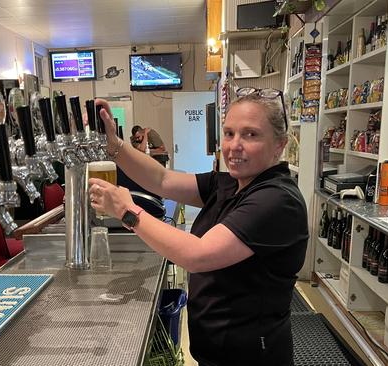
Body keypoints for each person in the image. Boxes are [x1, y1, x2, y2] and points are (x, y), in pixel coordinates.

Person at [88, 90, 308, 365]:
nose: (234, 145)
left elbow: (198, 255)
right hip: (219, 350)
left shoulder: (277, 200)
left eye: (251, 135)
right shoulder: (229, 183)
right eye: (229, 133)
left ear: (280, 144)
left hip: (251, 356)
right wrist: (114, 145)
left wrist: (127, 211)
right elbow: (162, 178)